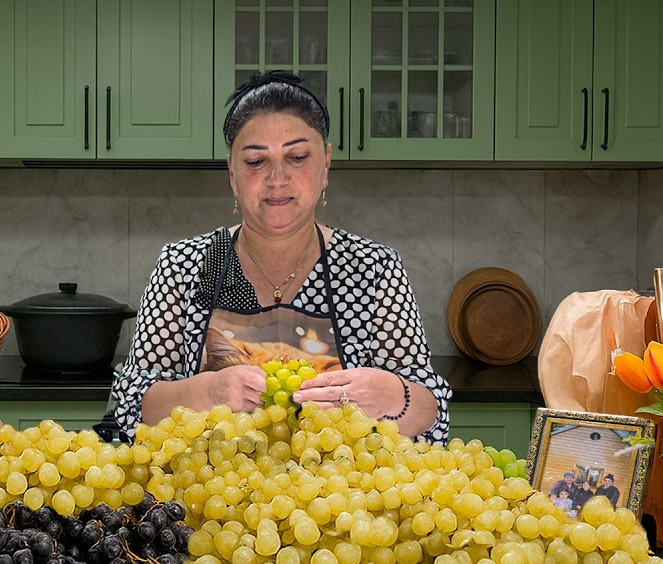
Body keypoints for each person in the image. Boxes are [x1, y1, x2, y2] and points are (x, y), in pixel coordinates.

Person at [108, 71, 450, 444]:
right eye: (256, 161)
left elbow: (431, 409)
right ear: (232, 173)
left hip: (340, 482)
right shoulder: (183, 266)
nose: (277, 178)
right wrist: (209, 392)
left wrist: (389, 394)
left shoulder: (374, 269)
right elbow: (131, 404)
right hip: (212, 482)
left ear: (326, 164)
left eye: (297, 157)